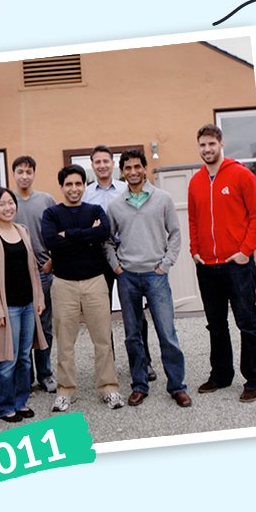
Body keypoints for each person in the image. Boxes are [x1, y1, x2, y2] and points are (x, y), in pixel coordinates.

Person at [104, 149, 192, 408]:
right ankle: (139, 385)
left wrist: (165, 265)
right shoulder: (115, 206)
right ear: (122, 172)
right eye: (127, 168)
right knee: (132, 335)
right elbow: (108, 241)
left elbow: (175, 234)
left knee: (167, 333)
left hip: (156, 276)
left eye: (136, 167)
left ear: (144, 168)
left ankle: (177, 386)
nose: (132, 172)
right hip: (128, 277)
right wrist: (116, 267)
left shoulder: (162, 199)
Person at [187, 124, 256, 403]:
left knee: (246, 322)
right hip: (207, 266)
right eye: (202, 145)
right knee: (216, 324)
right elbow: (194, 220)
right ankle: (221, 375)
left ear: (221, 144)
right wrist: (194, 249)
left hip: (237, 264)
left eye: (211, 144)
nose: (207, 149)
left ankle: (255, 380)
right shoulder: (195, 182)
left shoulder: (241, 175)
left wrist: (245, 251)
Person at [41, 165, 123, 412]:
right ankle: (65, 391)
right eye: (69, 184)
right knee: (65, 341)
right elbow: (51, 240)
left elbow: (104, 232)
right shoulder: (51, 214)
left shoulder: (95, 210)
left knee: (102, 339)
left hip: (95, 281)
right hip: (64, 283)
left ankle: (108, 387)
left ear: (83, 186)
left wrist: (70, 235)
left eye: (78, 184)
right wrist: (87, 235)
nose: (74, 189)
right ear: (62, 187)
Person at [83, 145, 156, 384]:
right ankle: (108, 365)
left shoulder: (128, 188)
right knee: (101, 314)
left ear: (113, 164)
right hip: (96, 259)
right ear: (92, 165)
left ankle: (144, 361)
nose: (102, 165)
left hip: (126, 257)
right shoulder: (85, 194)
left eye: (106, 161)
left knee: (134, 313)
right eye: (97, 162)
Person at [0, 188, 47, 422]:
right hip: (8, 307)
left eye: (11, 203)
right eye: (2, 204)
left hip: (28, 303)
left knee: (25, 356)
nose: (8, 207)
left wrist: (39, 299)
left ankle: (20, 401)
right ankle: (3, 405)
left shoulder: (22, 230)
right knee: (9, 357)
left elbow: (34, 270)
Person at [10, 155, 57, 393]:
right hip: (18, 276)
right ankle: (24, 377)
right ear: (14, 174)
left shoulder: (46, 200)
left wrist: (52, 261)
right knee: (23, 328)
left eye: (29, 171)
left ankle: (45, 374)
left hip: (43, 272)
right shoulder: (7, 201)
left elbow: (59, 232)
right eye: (20, 171)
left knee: (45, 326)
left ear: (34, 174)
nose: (25, 176)